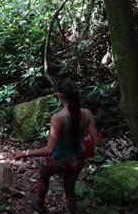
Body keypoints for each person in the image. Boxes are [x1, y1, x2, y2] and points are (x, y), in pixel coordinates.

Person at [14, 79, 102, 214]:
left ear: (60, 95)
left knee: (44, 174)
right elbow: (98, 142)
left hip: (60, 160)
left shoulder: (57, 118)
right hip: (78, 159)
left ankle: (40, 204)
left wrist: (25, 153)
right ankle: (72, 211)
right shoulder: (87, 114)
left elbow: (49, 150)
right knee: (69, 187)